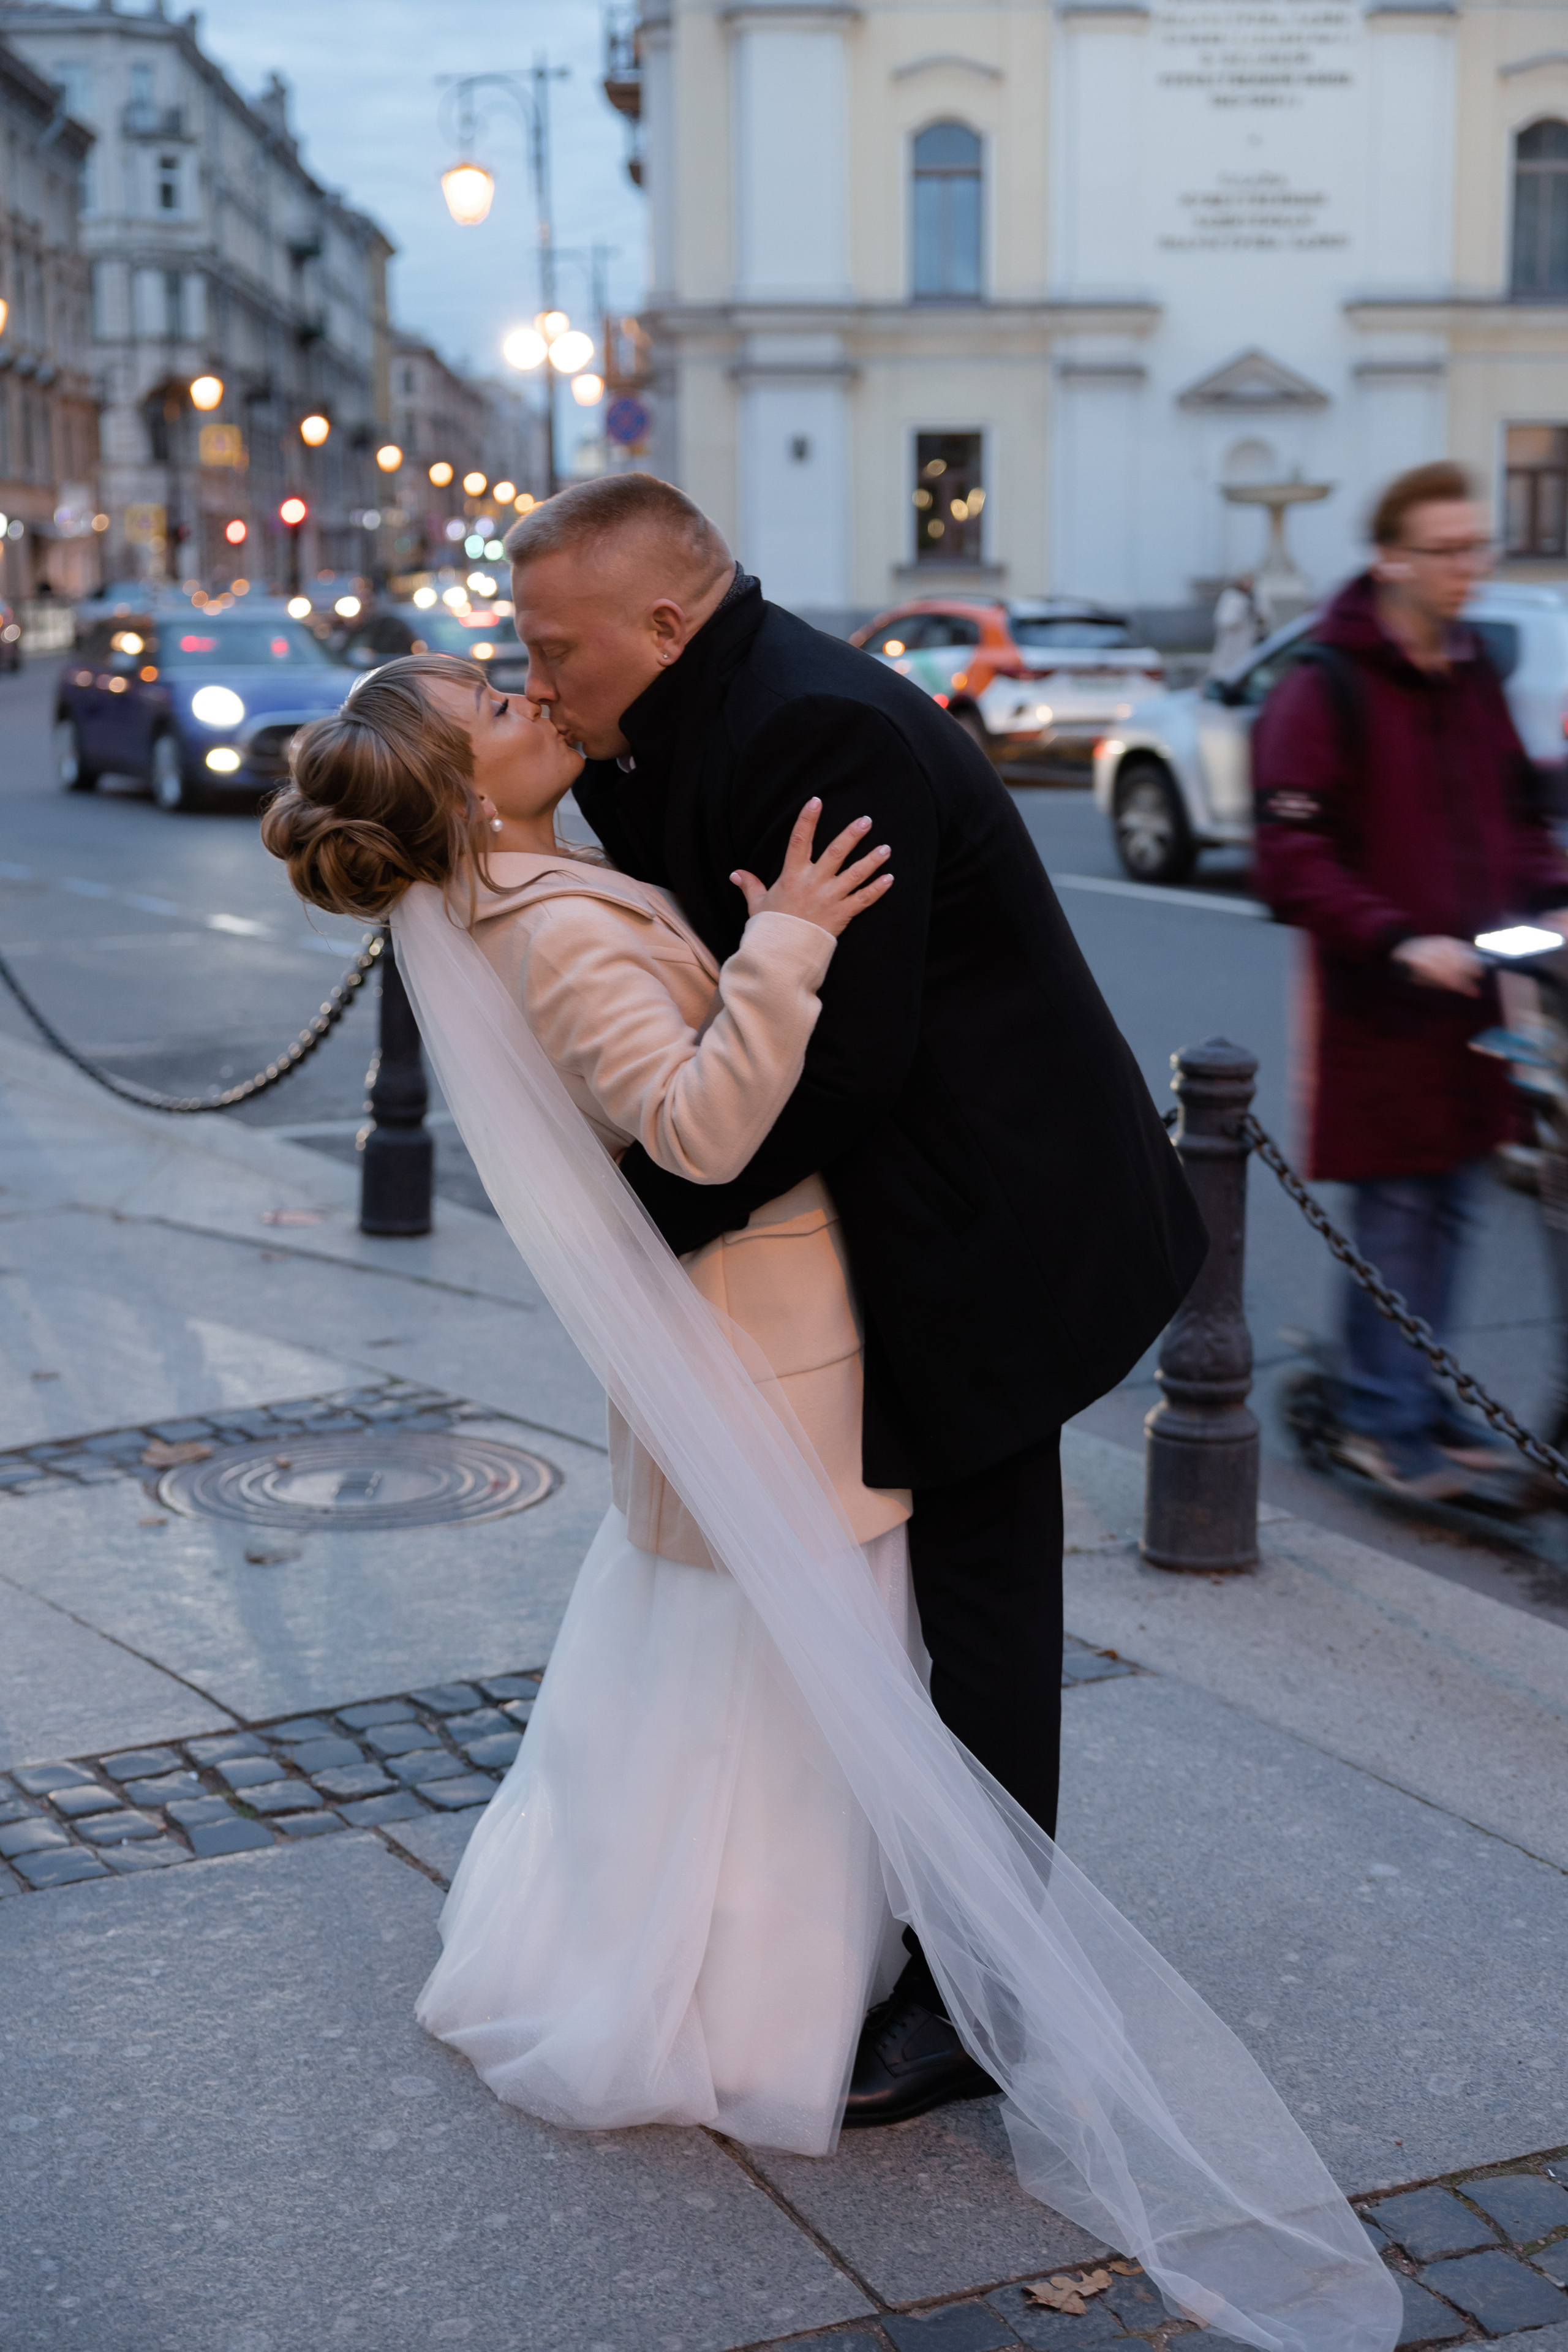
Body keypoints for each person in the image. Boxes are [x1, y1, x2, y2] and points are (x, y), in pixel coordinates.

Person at [260, 650, 1398, 2352]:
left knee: (734, 1687)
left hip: (763, 1352)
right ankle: (733, 2008)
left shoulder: (546, 876)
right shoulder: (554, 927)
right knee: (774, 1697)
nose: (528, 698)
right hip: (772, 1359)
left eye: (512, 677)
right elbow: (698, 1133)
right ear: (457, 795)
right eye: (495, 709)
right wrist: (789, 937)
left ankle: (711, 1972)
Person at [504, 471, 1208, 2122]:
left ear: (665, 625)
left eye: (557, 648)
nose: (538, 679)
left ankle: (980, 2000)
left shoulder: (822, 733)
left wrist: (651, 1212)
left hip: (991, 1226)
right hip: (903, 1217)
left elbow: (847, 1055)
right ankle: (910, 1943)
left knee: (981, 1623)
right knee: (928, 1613)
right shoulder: (689, 720)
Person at [1253, 459, 1568, 1500]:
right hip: (1382, 1001)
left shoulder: (1470, 672)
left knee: (1456, 1206)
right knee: (1397, 1214)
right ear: (1391, 558)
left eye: (1477, 546)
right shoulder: (1325, 684)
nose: (1468, 566)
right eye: (1446, 549)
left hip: (1473, 1000)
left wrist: (1552, 895)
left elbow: (1515, 820)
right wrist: (1393, 939)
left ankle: (1419, 1406)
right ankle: (1379, 1422)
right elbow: (1292, 856)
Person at [1208, 571, 1269, 676]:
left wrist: (1259, 617)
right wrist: (1240, 618)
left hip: (1250, 639)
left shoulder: (1256, 597)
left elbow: (1266, 615)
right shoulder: (1231, 597)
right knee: (1227, 669)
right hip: (1233, 640)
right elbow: (1223, 619)